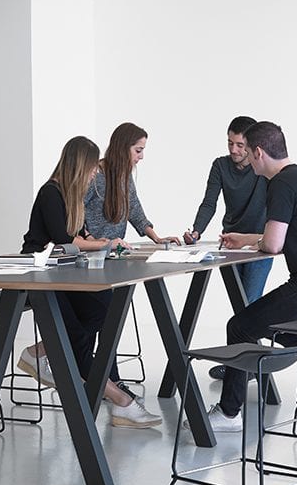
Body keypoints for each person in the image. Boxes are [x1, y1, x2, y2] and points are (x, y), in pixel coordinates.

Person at [200, 122, 297, 432]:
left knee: (240, 326)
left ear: (258, 153)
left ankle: (229, 414)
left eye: (248, 152)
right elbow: (282, 237)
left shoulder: (280, 184)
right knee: (269, 321)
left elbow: (272, 245)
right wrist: (245, 239)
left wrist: (257, 241)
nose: (246, 160)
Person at [22, 122, 181, 404]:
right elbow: (66, 237)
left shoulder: (102, 183)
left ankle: (49, 355)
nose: (141, 156)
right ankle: (113, 391)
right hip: (55, 269)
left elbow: (125, 213)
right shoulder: (57, 192)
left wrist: (154, 237)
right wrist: (102, 244)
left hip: (76, 263)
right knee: (90, 321)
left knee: (104, 312)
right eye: (138, 150)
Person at [182, 116, 273, 380]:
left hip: (258, 245)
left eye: (240, 145)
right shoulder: (220, 166)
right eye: (230, 143)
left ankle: (245, 368)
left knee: (250, 308)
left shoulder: (262, 168)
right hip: (230, 244)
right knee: (241, 307)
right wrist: (196, 231)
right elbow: (209, 202)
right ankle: (245, 368)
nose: (233, 149)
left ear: (252, 146)